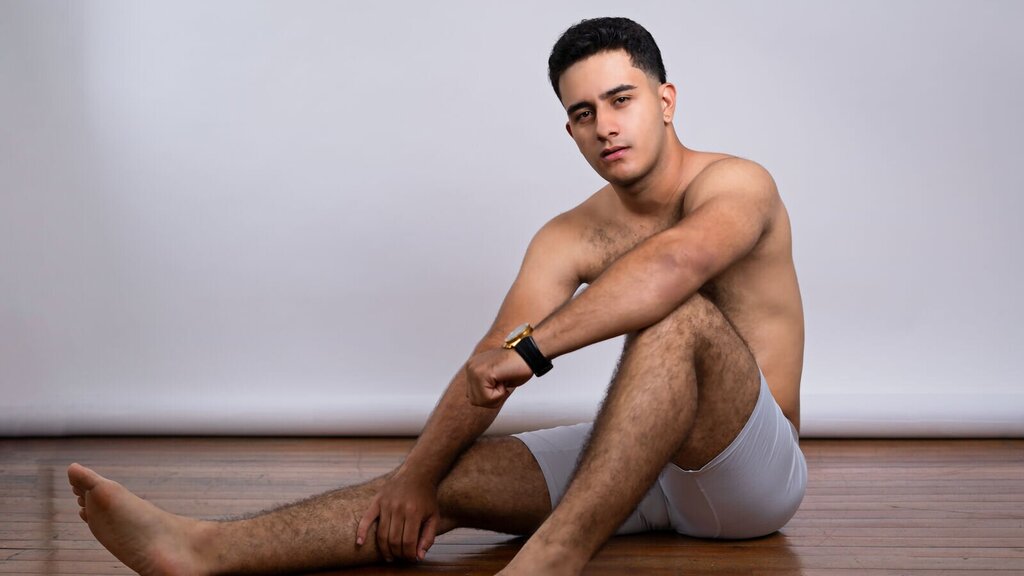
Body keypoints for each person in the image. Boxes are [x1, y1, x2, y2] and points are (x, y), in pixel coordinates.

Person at [67, 16, 807, 576]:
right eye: (584, 113)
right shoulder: (570, 235)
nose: (605, 126)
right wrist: (416, 478)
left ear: (665, 99)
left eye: (621, 99)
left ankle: (552, 557)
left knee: (679, 317)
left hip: (748, 476)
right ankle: (202, 550)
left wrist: (534, 349)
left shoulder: (737, 184)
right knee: (438, 477)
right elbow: (490, 362)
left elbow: (674, 265)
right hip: (642, 472)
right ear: (570, 129)